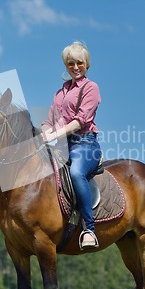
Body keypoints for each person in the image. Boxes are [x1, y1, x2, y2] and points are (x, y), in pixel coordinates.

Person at [41, 41, 102, 249]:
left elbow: (81, 121)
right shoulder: (60, 92)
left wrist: (55, 133)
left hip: (85, 143)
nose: (75, 67)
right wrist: (44, 132)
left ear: (86, 64)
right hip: (62, 145)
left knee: (76, 173)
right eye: (70, 63)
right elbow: (49, 120)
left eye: (79, 63)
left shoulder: (91, 88)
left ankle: (89, 230)